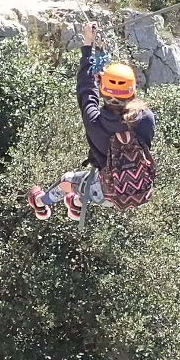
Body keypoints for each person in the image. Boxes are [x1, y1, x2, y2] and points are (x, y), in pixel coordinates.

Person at [29, 22, 157, 219]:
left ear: (103, 89)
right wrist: (100, 49)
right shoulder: (146, 117)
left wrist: (88, 45)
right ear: (132, 89)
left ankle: (40, 203)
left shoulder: (94, 120)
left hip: (106, 191)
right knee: (88, 185)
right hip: (141, 191)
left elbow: (86, 88)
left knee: (68, 181)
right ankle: (77, 203)